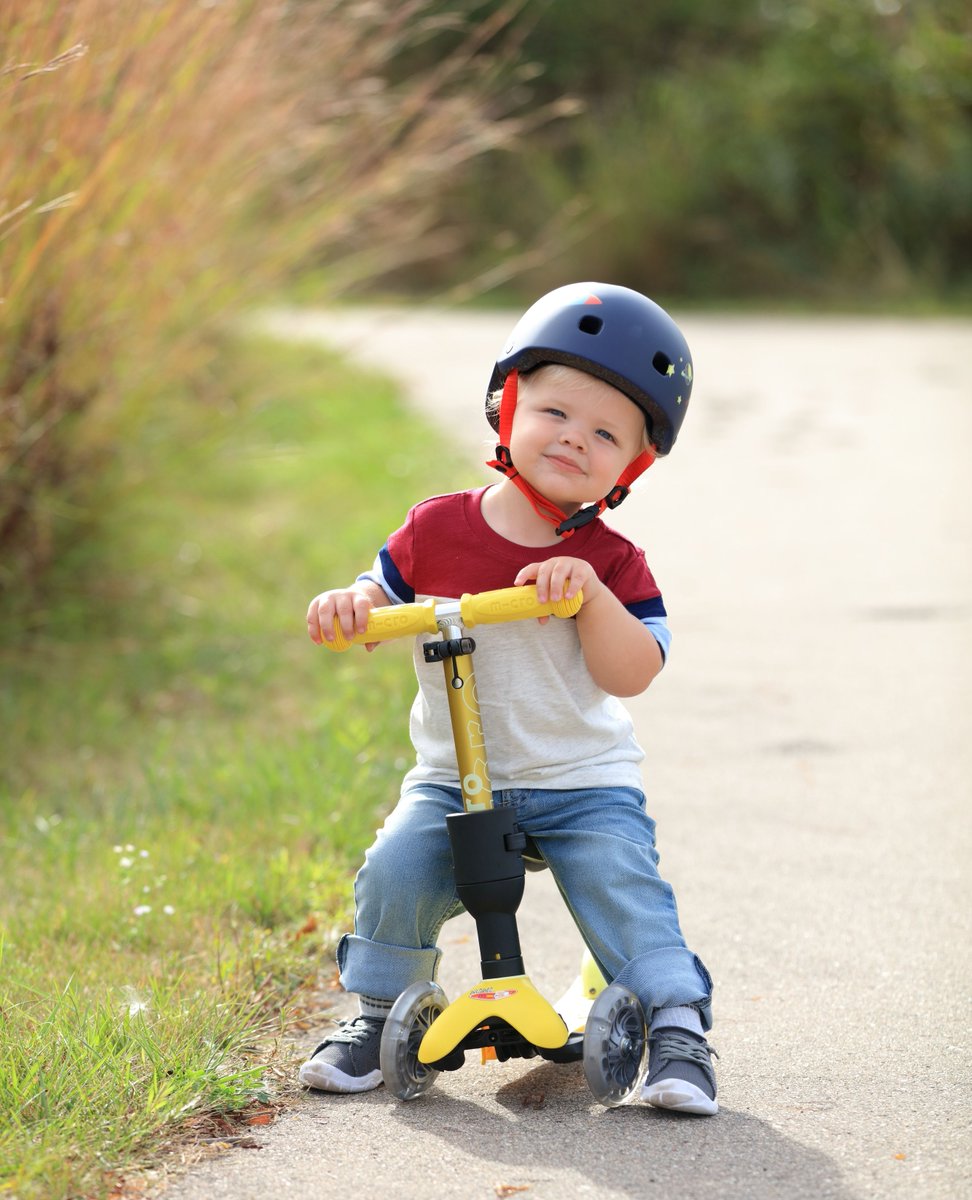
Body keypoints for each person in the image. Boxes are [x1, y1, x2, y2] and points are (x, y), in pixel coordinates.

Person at [299, 283, 717, 1115]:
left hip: (578, 780)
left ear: (630, 467)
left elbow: (635, 670)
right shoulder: (435, 529)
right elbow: (378, 603)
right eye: (556, 412)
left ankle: (677, 1026)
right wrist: (351, 607)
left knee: (617, 880)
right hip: (454, 778)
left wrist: (590, 594)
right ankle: (378, 1011)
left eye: (605, 434)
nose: (574, 439)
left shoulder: (613, 561)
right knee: (396, 869)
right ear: (509, 405)